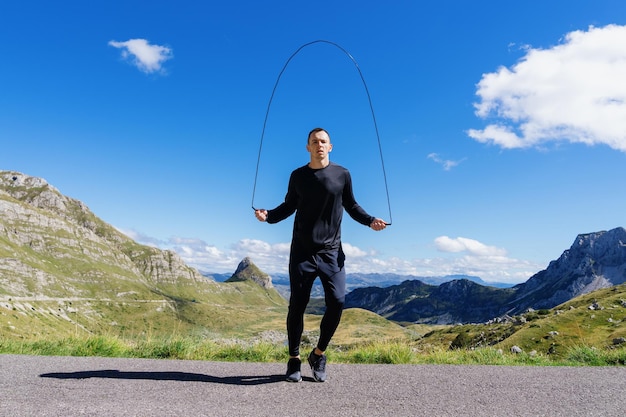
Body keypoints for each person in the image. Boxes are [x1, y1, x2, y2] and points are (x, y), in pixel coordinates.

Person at [254, 127, 387, 382]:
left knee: (337, 302)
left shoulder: (342, 174)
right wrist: (268, 216)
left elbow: (351, 205)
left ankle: (318, 354)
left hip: (331, 253)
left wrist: (370, 221)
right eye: (314, 142)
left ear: (331, 146)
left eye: (323, 141)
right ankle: (294, 360)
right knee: (297, 306)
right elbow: (288, 206)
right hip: (302, 252)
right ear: (308, 147)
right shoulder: (298, 176)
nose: (319, 145)